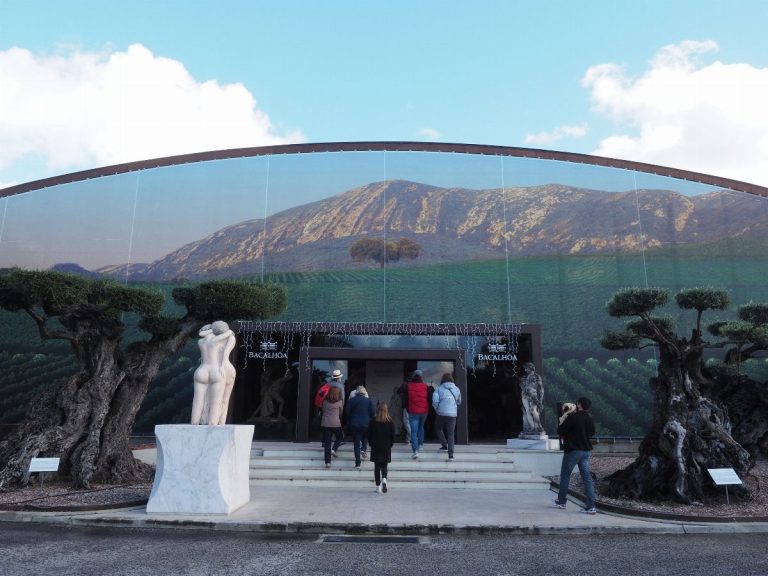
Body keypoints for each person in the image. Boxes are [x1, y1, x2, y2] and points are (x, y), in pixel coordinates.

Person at [554, 396, 597, 515]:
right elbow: (592, 433)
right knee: (587, 479)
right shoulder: (590, 418)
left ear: (578, 405)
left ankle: (561, 501)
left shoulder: (573, 417)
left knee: (565, 476)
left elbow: (560, 431)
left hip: (573, 451)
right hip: (586, 452)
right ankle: (591, 506)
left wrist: (563, 419)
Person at [191, 321, 235, 425]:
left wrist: (209, 330)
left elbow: (201, 334)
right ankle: (213, 424)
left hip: (201, 370)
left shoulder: (201, 342)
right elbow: (228, 332)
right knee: (216, 401)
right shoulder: (216, 340)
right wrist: (226, 331)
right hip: (215, 370)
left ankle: (194, 422)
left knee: (197, 400)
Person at [344, 385, 375, 469]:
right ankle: (364, 449)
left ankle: (358, 463)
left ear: (356, 392)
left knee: (356, 443)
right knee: (365, 436)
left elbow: (347, 412)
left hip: (355, 424)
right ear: (364, 392)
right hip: (366, 424)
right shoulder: (368, 401)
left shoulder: (352, 400)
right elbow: (373, 413)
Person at [432, 372, 461, 460]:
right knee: (451, 434)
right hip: (452, 414)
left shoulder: (438, 389)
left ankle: (444, 445)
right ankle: (451, 455)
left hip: (441, 413)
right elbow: (459, 402)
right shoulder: (457, 389)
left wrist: (437, 409)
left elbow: (435, 402)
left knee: (438, 428)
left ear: (443, 380)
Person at [367, 401, 395, 493]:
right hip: (386, 446)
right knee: (384, 466)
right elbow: (392, 435)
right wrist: (390, 444)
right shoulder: (390, 422)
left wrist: (370, 443)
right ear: (387, 410)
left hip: (376, 446)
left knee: (377, 467)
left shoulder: (373, 421)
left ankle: (378, 486)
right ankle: (384, 479)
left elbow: (369, 434)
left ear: (378, 410)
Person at [406, 369, 430, 458]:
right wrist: (427, 408)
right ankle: (421, 445)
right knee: (421, 427)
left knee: (413, 431)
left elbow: (405, 399)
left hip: (413, 411)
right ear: (421, 377)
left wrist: (407, 409)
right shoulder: (425, 386)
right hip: (424, 411)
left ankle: (415, 451)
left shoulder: (409, 386)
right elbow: (430, 398)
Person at [320, 386, 344, 468]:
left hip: (325, 423)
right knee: (340, 436)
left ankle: (327, 462)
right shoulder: (339, 402)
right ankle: (334, 449)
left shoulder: (324, 401)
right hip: (335, 423)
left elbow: (323, 410)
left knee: (327, 443)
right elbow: (341, 413)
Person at [520, 362, 545, 436]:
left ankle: (537, 427)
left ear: (531, 368)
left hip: (533, 395)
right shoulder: (524, 377)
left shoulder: (537, 376)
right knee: (527, 410)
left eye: (526, 368)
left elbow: (541, 389)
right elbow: (522, 386)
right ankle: (530, 428)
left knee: (533, 411)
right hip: (524, 395)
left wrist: (540, 400)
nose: (525, 369)